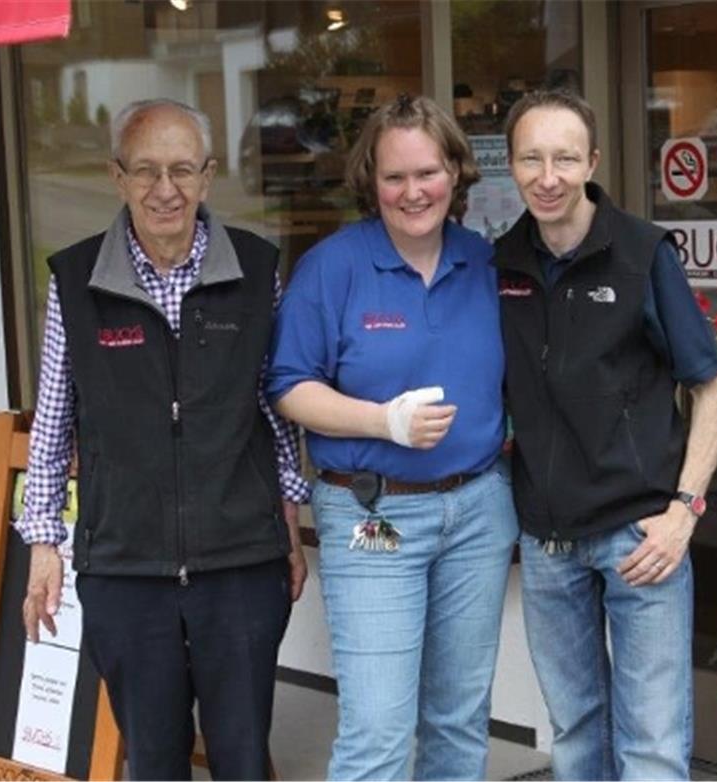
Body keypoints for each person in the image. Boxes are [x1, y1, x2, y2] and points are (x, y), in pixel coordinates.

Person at [16, 98, 309, 781]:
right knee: (152, 761)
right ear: (117, 177)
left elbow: (277, 408)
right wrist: (43, 545)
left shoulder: (257, 272)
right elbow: (54, 418)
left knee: (242, 757)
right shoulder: (77, 282)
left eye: (182, 169)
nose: (165, 189)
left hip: (241, 562)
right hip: (125, 566)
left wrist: (289, 518)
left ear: (208, 176)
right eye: (145, 171)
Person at [266, 94, 517, 781]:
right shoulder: (334, 267)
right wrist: (383, 421)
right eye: (395, 177)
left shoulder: (484, 263)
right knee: (378, 729)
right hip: (373, 513)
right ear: (370, 184)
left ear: (457, 174)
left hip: (477, 511)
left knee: (460, 721)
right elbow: (288, 387)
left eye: (429, 173)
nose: (414, 192)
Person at [494, 89, 717, 780]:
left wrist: (683, 513)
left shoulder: (642, 253)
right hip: (548, 538)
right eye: (531, 159)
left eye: (564, 158)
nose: (548, 176)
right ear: (511, 165)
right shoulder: (503, 262)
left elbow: (710, 387)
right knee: (574, 735)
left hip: (641, 534)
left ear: (592, 161)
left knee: (652, 740)